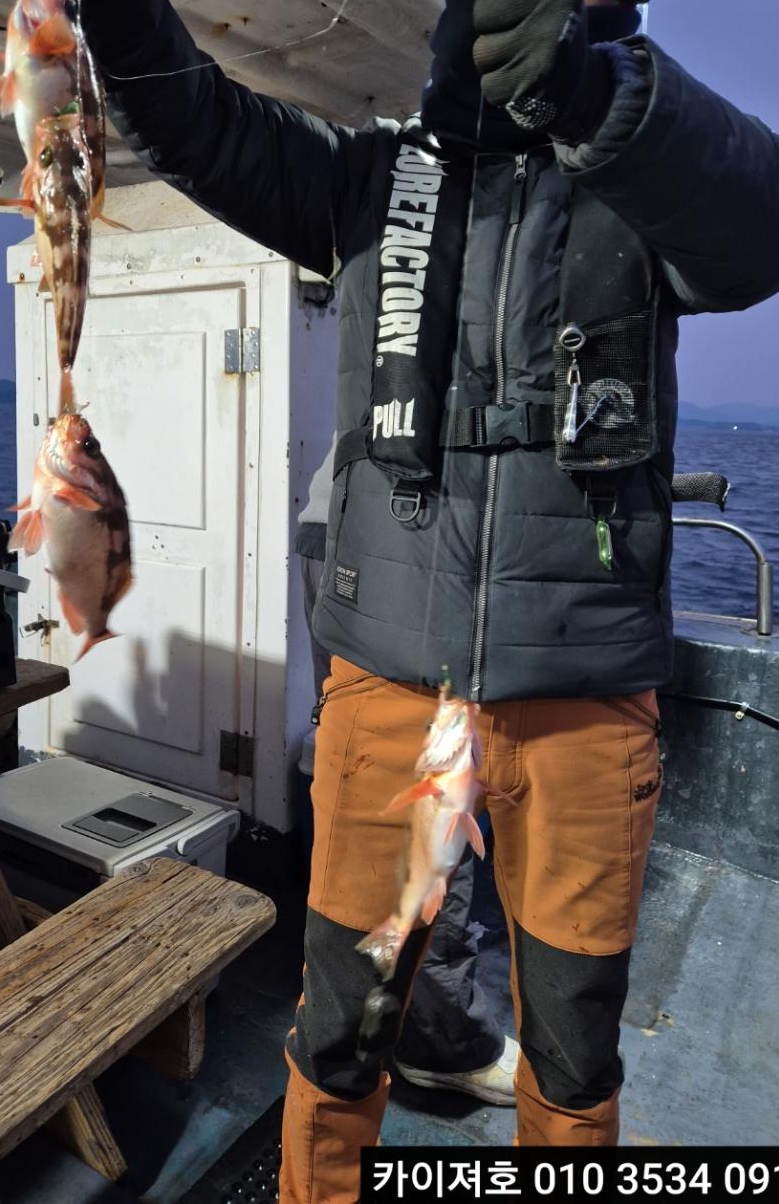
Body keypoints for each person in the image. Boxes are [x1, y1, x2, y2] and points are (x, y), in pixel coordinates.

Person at [0, 0, 779, 1192]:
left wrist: (600, 98)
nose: (464, 7)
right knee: (338, 1033)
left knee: (575, 1054)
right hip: (386, 693)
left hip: (584, 702)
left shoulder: (651, 184)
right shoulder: (374, 185)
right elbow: (180, 112)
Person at [297, 435, 518, 1104]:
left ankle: (373, 999)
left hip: (339, 523)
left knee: (381, 777)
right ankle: (438, 1038)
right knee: (444, 792)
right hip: (420, 552)